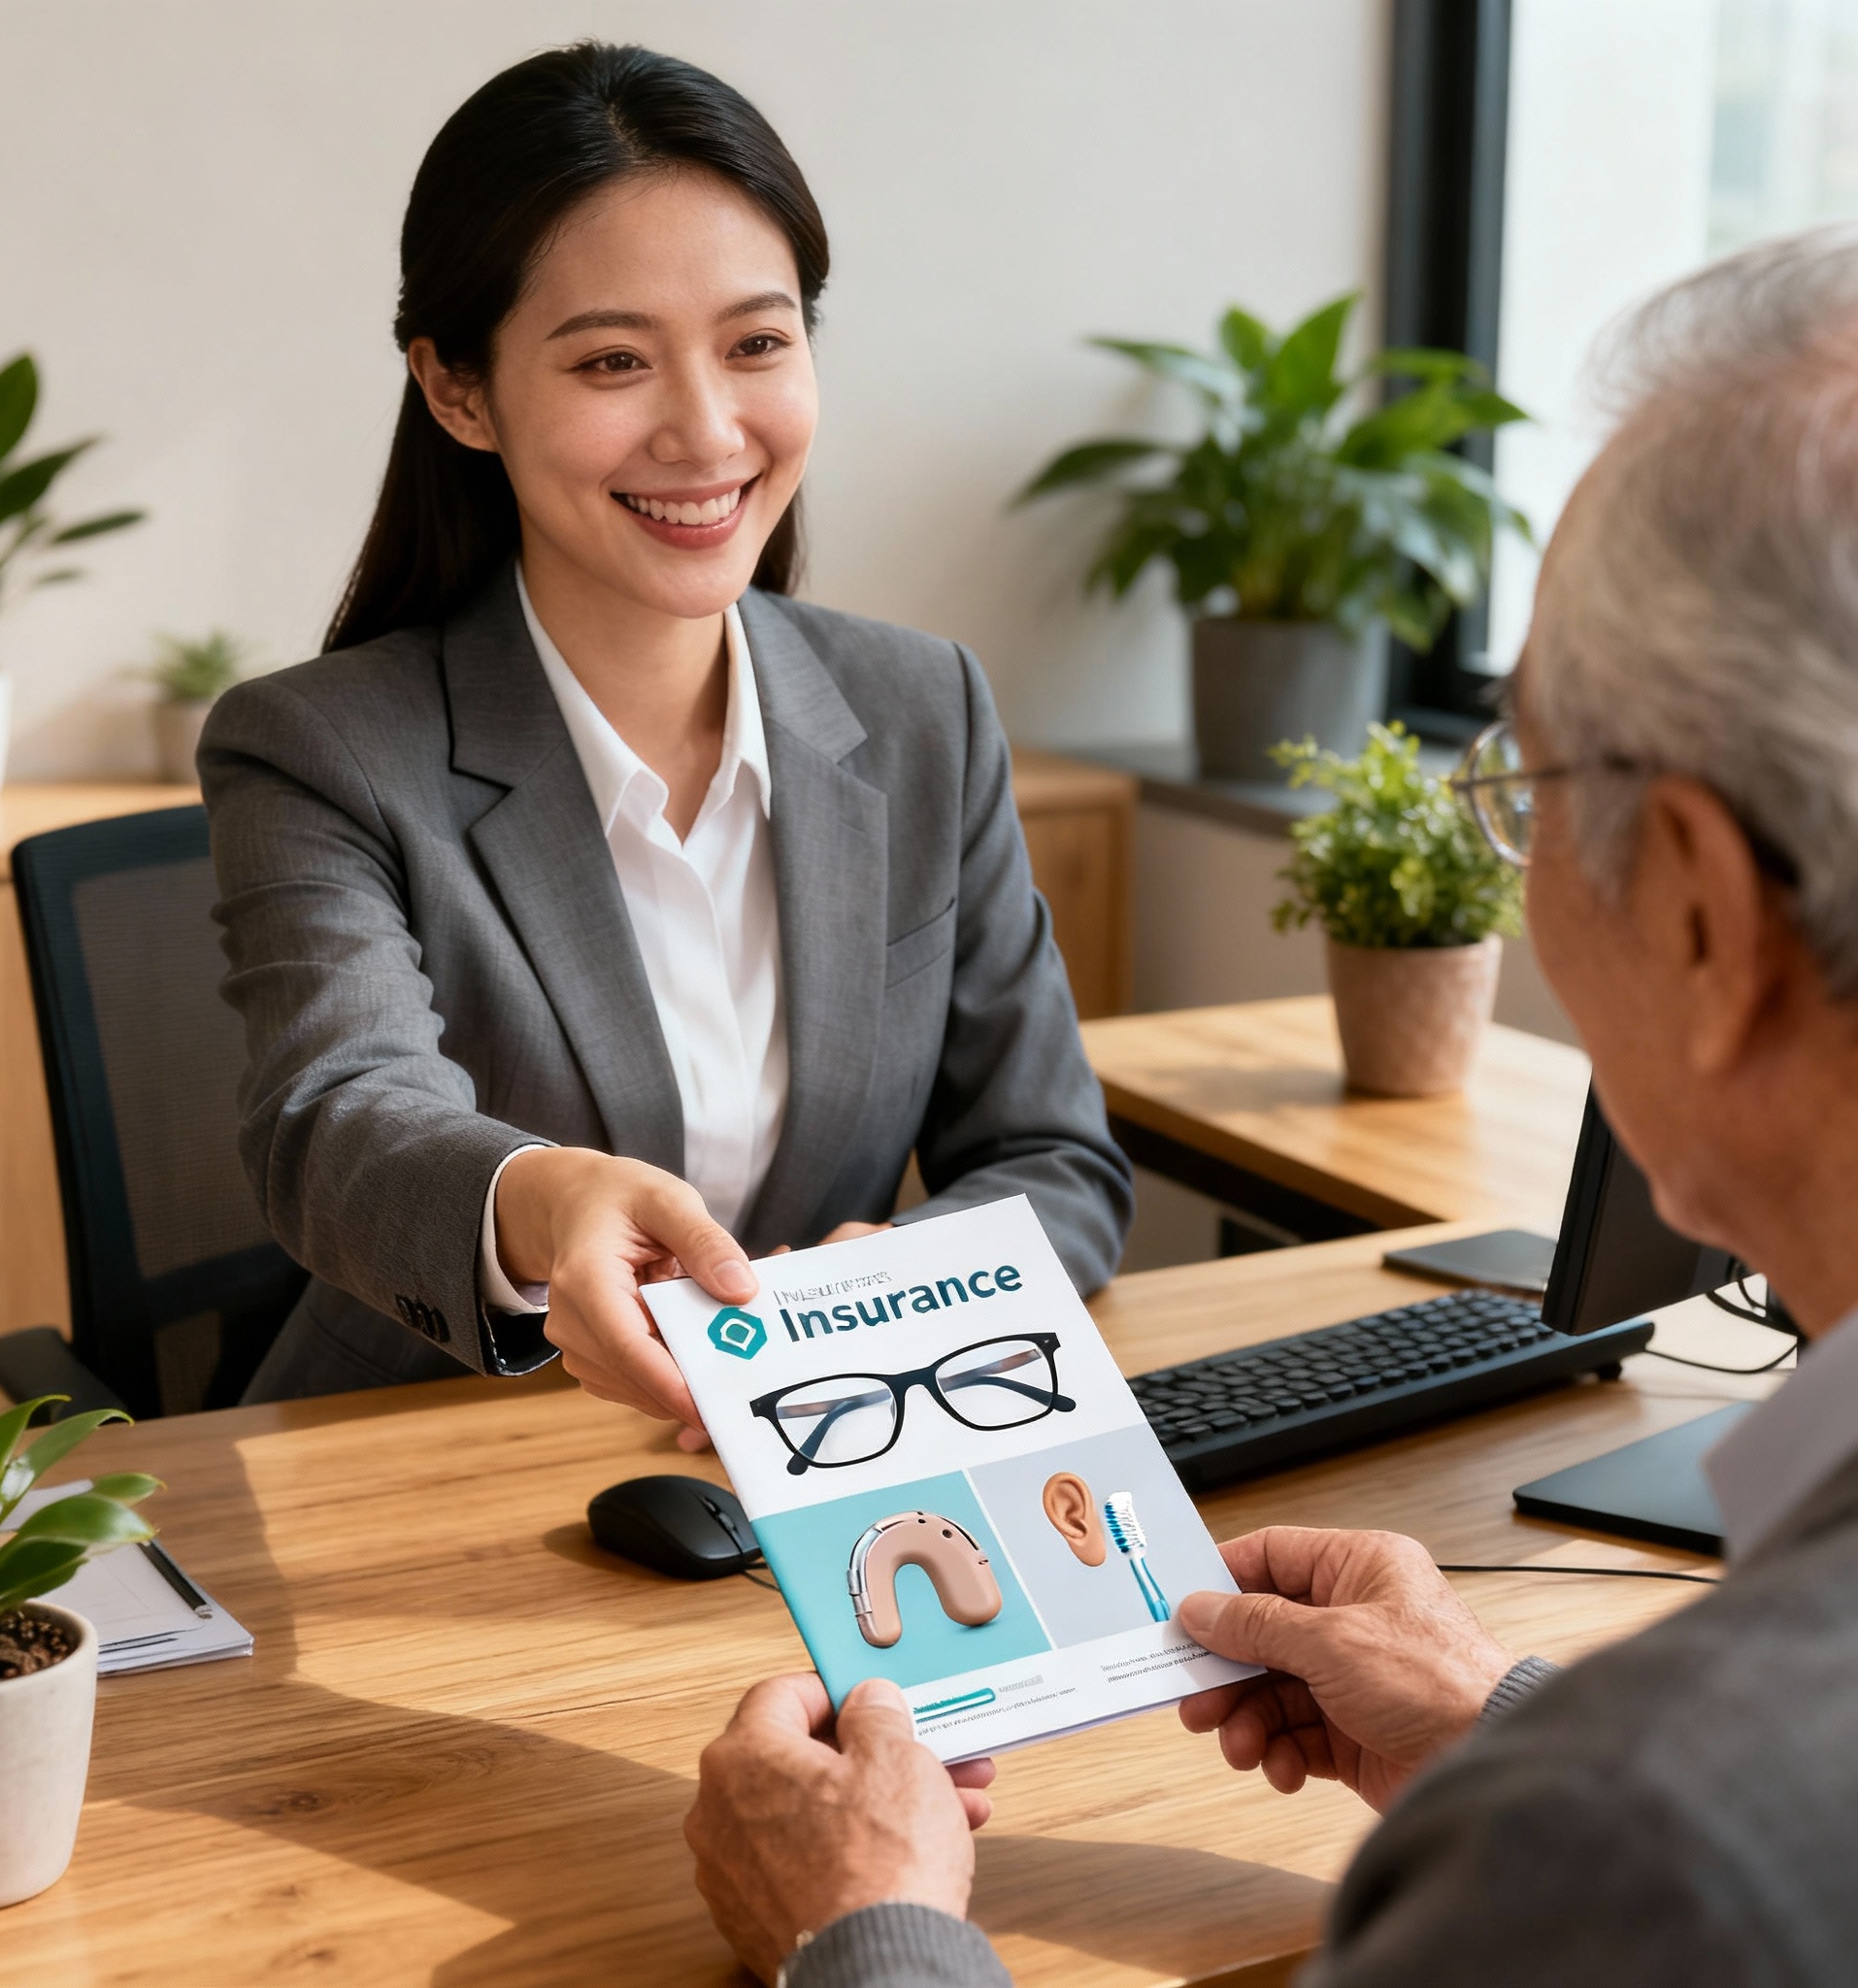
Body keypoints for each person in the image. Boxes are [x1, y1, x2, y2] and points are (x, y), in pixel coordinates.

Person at [685, 226, 1858, 1986]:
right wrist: (1502, 1728)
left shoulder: (1649, 1838)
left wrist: (865, 1927)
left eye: (1521, 782)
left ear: (1697, 909)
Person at [198, 44, 1131, 1414]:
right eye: (614, 361)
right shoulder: (319, 749)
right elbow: (334, 1121)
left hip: (829, 1441)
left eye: (758, 343)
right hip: (420, 1459)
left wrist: (893, 1296)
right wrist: (543, 1193)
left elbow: (1055, 1160)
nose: (706, 432)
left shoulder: (926, 709)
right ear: (460, 390)